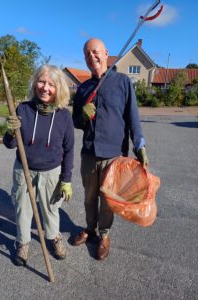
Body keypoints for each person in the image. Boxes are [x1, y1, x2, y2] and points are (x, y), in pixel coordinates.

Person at [72, 38, 148, 260]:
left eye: (95, 52)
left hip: (114, 154)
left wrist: (140, 145)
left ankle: (104, 235)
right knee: (89, 198)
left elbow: (133, 118)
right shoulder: (84, 88)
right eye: (86, 54)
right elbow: (76, 121)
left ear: (106, 53)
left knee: (107, 201)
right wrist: (82, 116)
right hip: (89, 154)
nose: (91, 57)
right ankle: (90, 229)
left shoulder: (122, 82)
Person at [3, 64, 74, 265]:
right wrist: (10, 131)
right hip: (23, 170)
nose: (45, 87)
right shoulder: (23, 109)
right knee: (22, 208)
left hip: (51, 172)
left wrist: (66, 180)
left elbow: (68, 151)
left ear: (58, 88)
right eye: (41, 82)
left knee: (51, 209)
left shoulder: (64, 116)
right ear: (35, 84)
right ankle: (23, 242)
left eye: (51, 84)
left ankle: (53, 237)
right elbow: (9, 144)